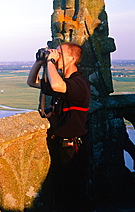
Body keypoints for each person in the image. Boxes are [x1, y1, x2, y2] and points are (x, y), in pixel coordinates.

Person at [27, 42, 91, 211]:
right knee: (61, 192)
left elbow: (56, 86)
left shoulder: (79, 84)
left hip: (71, 149)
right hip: (60, 146)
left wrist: (50, 62)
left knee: (70, 195)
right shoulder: (65, 83)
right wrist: (40, 62)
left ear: (72, 58)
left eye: (60, 53)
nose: (56, 55)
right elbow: (32, 82)